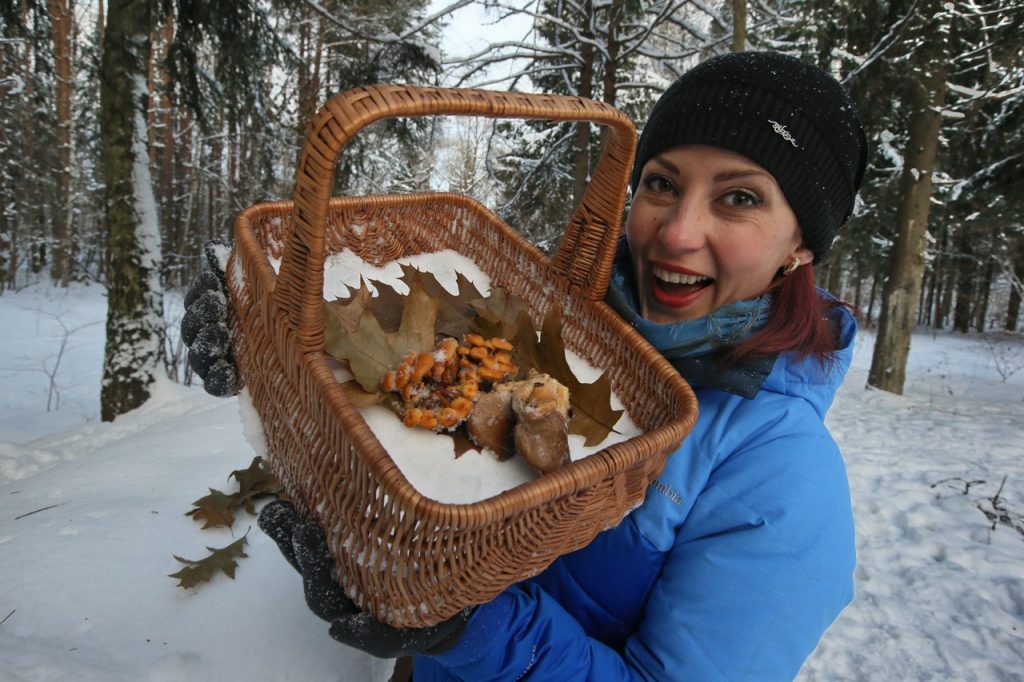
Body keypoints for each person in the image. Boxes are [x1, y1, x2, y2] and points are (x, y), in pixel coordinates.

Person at [184, 50, 867, 680]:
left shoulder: (784, 480)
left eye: (739, 198)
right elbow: (404, 422)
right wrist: (264, 330)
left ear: (800, 245)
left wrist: (467, 625)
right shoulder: (546, 320)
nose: (678, 232)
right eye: (661, 183)